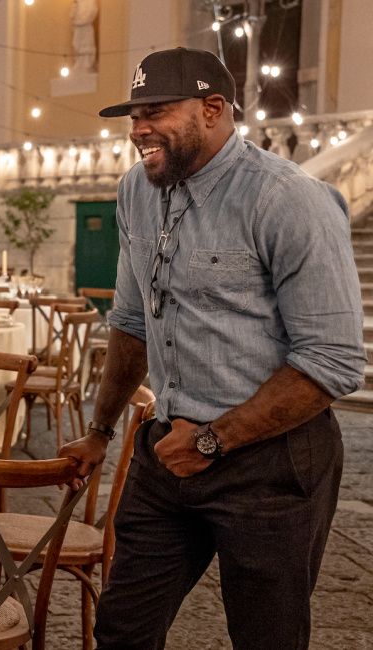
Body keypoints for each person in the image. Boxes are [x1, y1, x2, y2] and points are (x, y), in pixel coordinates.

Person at [59, 48, 365, 649]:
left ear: (213, 109)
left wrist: (212, 441)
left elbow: (332, 362)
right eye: (134, 114)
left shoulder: (288, 199)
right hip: (165, 452)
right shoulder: (136, 191)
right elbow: (130, 321)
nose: (138, 128)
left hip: (271, 467)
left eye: (157, 111)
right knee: (121, 630)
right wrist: (101, 429)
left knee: (266, 636)